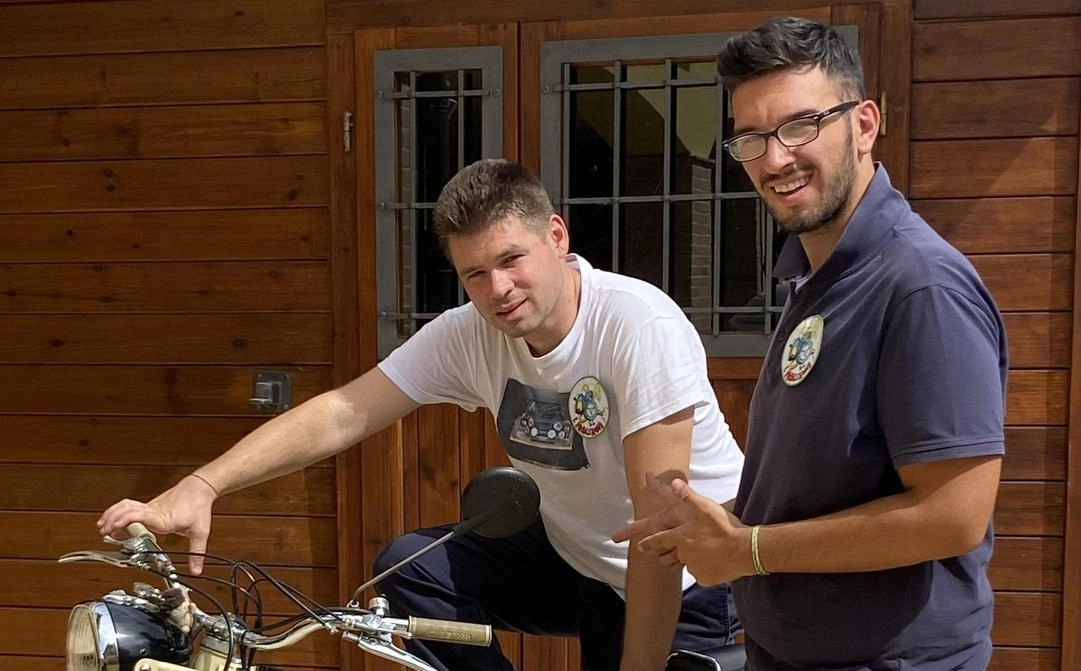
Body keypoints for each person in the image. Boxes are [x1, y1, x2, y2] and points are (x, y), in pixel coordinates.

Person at [98, 158, 745, 671]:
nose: (498, 290)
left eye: (511, 259)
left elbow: (661, 529)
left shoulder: (636, 325)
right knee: (411, 566)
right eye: (474, 274)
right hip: (583, 562)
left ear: (555, 235)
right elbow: (344, 411)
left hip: (694, 584)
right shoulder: (472, 331)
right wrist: (204, 483)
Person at [613, 16, 1007, 671]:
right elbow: (838, 481)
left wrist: (749, 549)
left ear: (862, 124)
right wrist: (721, 521)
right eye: (750, 138)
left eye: (800, 125)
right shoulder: (816, 276)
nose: (774, 159)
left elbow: (952, 513)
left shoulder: (919, 286)